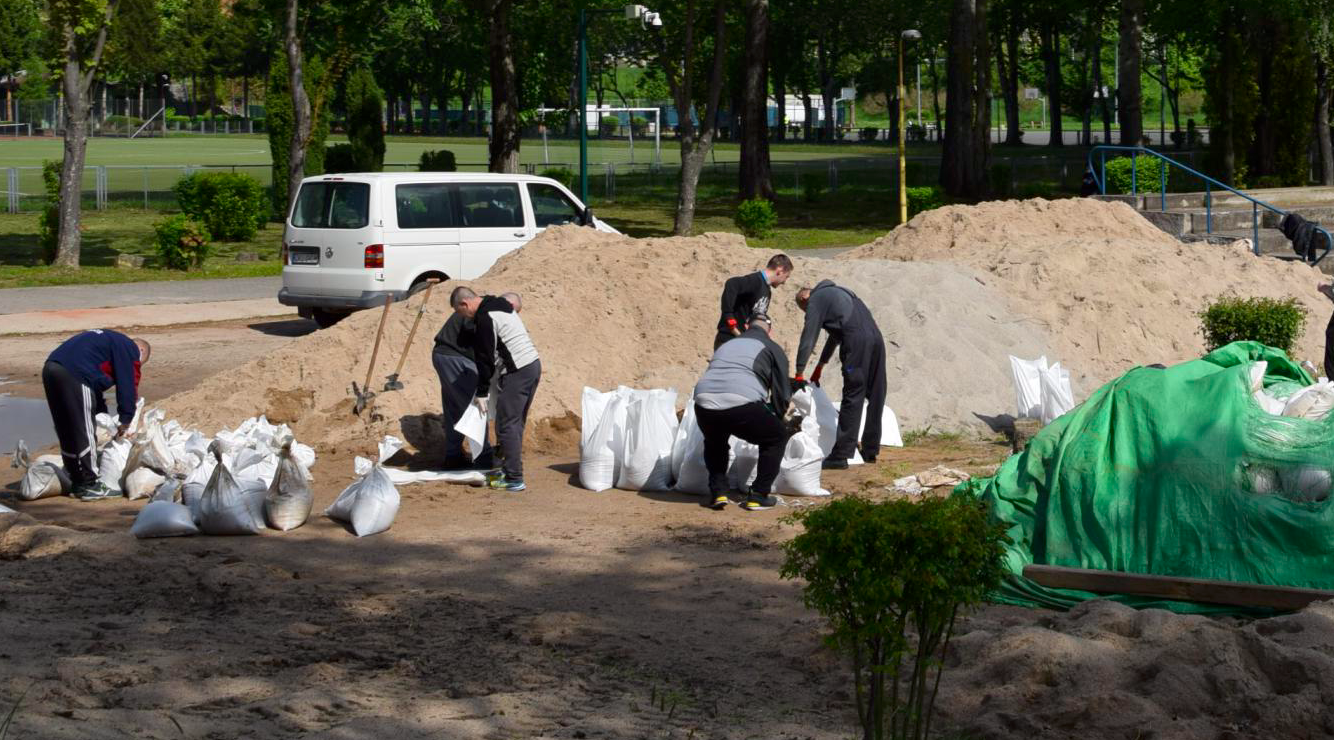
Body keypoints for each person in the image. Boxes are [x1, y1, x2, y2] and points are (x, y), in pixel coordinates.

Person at [692, 314, 793, 512]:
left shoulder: (727, 345)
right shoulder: (771, 347)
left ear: (746, 327)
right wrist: (778, 416)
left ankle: (718, 493)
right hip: (741, 403)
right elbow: (782, 391)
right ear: (769, 331)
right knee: (776, 437)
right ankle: (758, 495)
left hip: (703, 401)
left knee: (715, 442)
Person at [450, 286, 541, 492]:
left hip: (518, 370)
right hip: (532, 365)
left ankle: (514, 478)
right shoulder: (498, 304)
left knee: (506, 424)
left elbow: (485, 358)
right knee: (514, 423)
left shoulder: (485, 317)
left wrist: (482, 391)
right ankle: (509, 469)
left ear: (464, 304)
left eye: (459, 312)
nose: (463, 316)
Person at [42, 329, 150, 501]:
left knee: (67, 428)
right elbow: (128, 384)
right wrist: (126, 419)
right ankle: (90, 485)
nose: (136, 365)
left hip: (51, 369)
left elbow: (95, 387)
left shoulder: (106, 342)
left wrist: (102, 415)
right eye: (139, 363)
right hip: (75, 375)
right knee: (83, 430)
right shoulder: (129, 347)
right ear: (141, 351)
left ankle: (77, 480)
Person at [794, 280, 887, 469]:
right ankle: (870, 450)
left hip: (856, 342)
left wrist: (799, 371)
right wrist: (821, 365)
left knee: (854, 394)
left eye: (804, 309)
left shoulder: (815, 300)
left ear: (804, 298)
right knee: (876, 394)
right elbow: (835, 336)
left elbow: (808, 336)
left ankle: (841, 455)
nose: (807, 313)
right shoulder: (840, 293)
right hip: (876, 339)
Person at [431, 311, 492, 470]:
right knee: (476, 406)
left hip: (443, 355)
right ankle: (483, 458)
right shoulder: (487, 311)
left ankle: (453, 457)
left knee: (454, 407)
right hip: (456, 358)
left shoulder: (484, 308)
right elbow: (472, 328)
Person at [715, 254, 794, 349]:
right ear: (780, 270)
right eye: (786, 276)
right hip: (729, 340)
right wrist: (728, 315)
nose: (784, 281)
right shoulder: (755, 281)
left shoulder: (767, 290)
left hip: (744, 343)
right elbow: (732, 284)